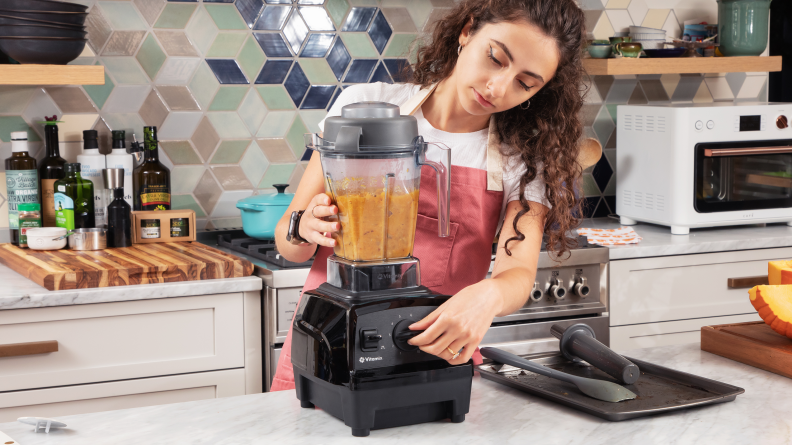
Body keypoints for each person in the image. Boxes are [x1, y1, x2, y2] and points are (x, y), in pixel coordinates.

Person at [270, 0, 586, 391]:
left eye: (525, 83)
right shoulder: (365, 109)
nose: (498, 87)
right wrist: (305, 227)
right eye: (496, 58)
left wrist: (489, 295)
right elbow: (290, 244)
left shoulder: (521, 161)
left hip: (431, 357)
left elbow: (516, 273)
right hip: (327, 349)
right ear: (467, 31)